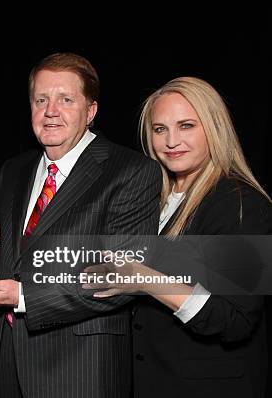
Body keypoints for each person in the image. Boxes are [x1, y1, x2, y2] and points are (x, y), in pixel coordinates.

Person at [0, 52, 161, 397]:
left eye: (65, 99)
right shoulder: (15, 169)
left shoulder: (132, 171)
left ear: (91, 111)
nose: (50, 110)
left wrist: (25, 296)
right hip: (5, 358)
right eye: (41, 99)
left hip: (80, 368)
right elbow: (18, 256)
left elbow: (125, 275)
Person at [84, 76, 271, 397]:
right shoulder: (149, 199)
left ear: (214, 128)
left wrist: (145, 278)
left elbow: (235, 321)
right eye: (160, 129)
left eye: (186, 126)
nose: (171, 141)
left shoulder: (242, 203)